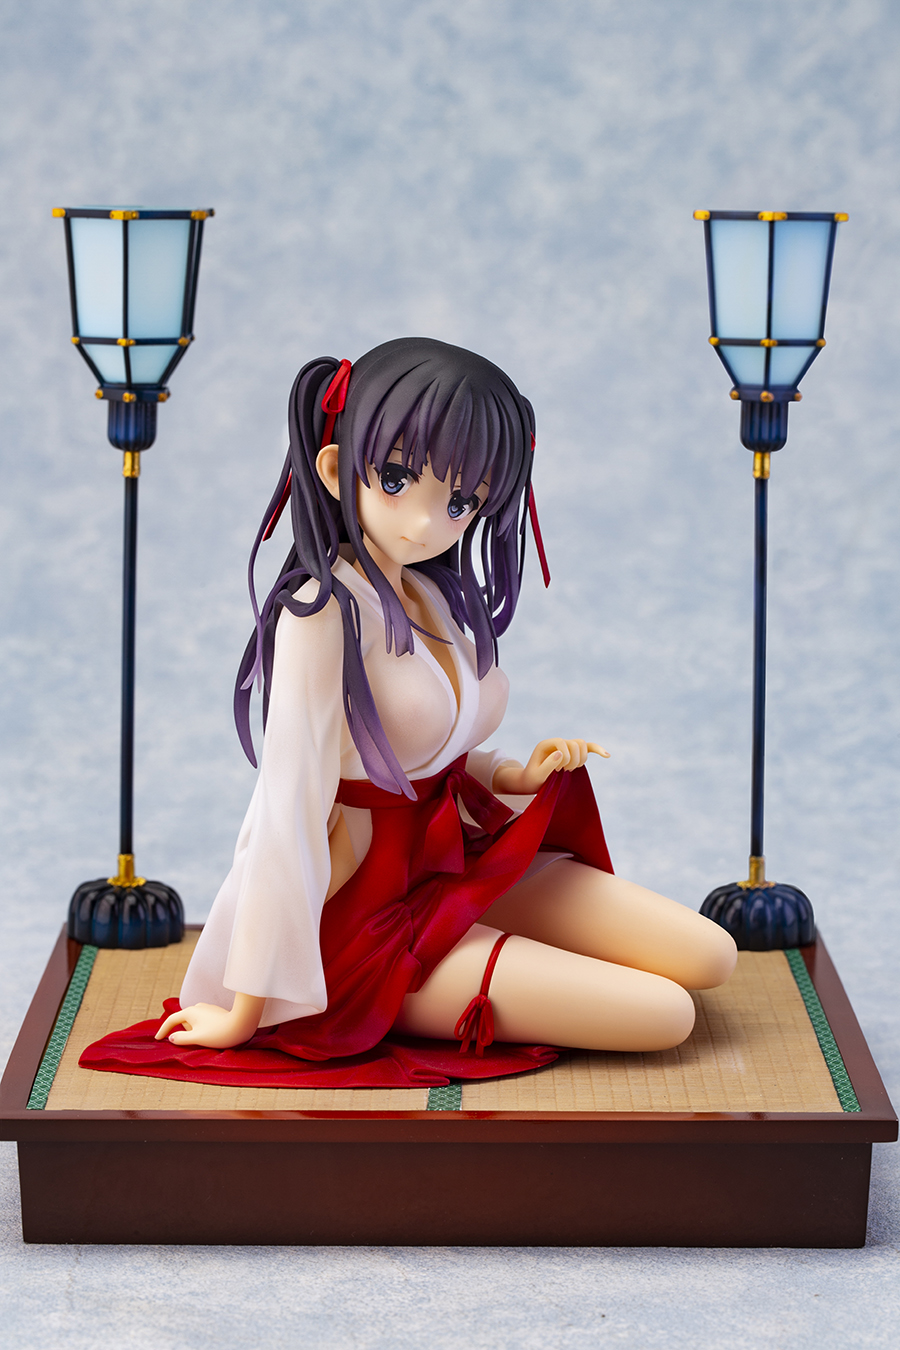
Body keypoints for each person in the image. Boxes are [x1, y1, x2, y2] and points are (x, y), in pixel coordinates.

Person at [83, 337, 736, 1090]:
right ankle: (395, 987)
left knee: (711, 955)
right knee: (666, 1013)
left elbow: (425, 749)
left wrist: (513, 773)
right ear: (336, 470)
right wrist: (244, 1009)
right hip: (367, 920)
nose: (428, 524)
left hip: (452, 858)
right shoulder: (319, 612)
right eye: (396, 480)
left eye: (460, 502)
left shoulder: (429, 591)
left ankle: (506, 949)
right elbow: (287, 811)